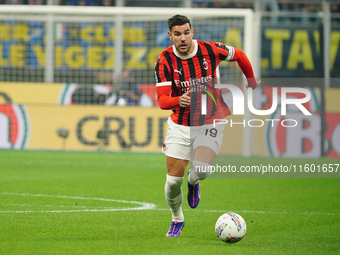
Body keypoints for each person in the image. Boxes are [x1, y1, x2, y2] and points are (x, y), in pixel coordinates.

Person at [154, 14, 260, 237]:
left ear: (192, 32)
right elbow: (163, 100)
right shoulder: (164, 61)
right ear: (170, 35)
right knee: (173, 182)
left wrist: (250, 79)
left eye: (186, 32)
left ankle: (194, 181)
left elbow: (239, 55)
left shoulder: (210, 50)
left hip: (210, 119)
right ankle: (177, 219)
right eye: (177, 34)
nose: (182, 38)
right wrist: (178, 100)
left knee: (201, 170)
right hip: (180, 124)